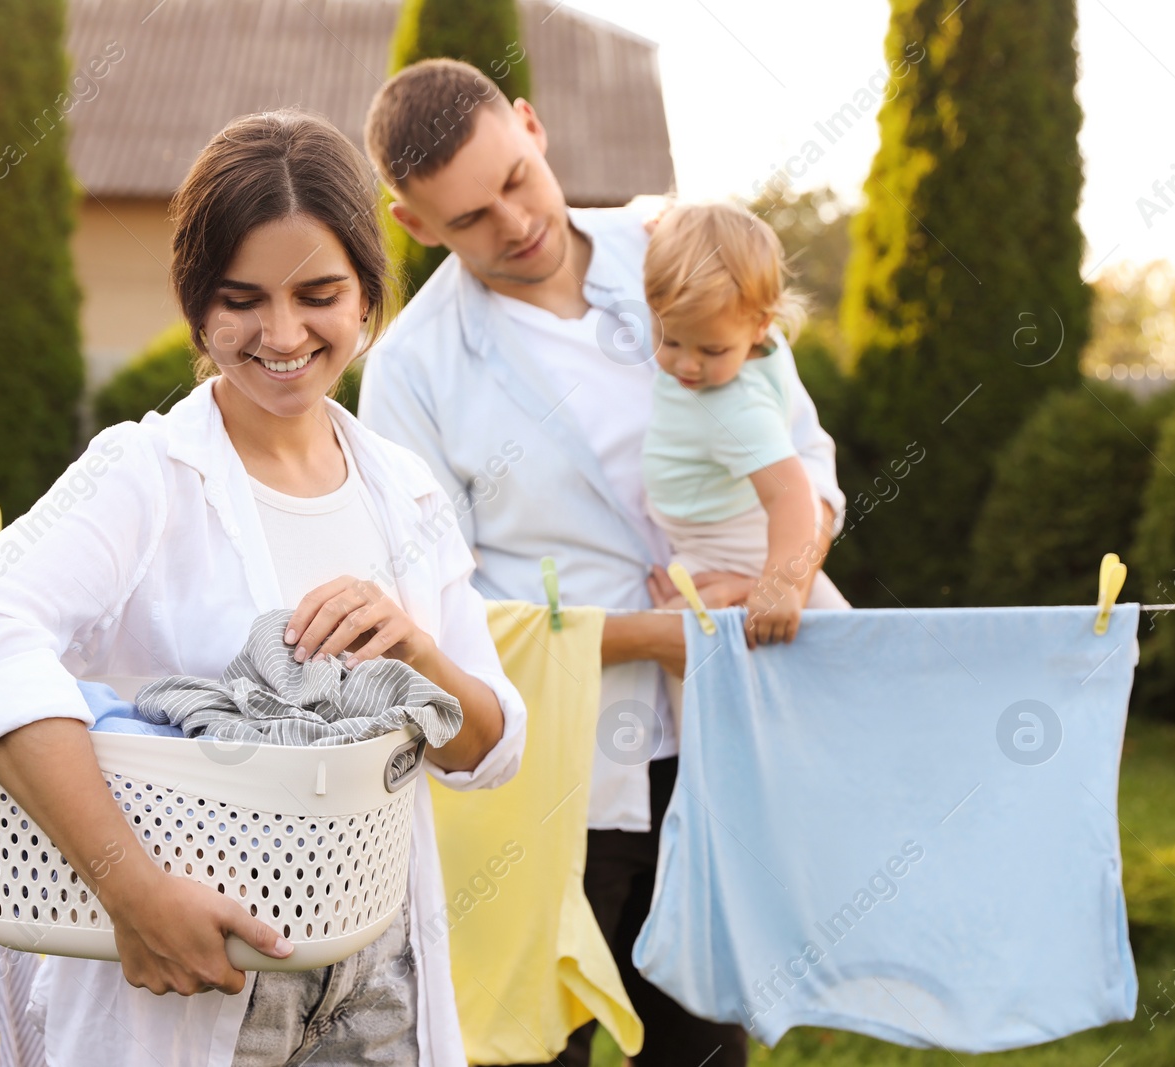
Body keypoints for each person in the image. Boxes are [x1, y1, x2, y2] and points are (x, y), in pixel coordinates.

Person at [0, 109, 526, 1067]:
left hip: (377, 983)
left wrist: (416, 651)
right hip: (194, 980)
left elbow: (488, 749)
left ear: (367, 293)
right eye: (242, 299)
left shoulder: (405, 491)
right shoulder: (144, 474)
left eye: (319, 292)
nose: (283, 334)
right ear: (198, 309)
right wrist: (131, 889)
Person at [357, 59, 846, 1067]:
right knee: (541, 1040)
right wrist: (652, 639)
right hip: (560, 770)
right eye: (469, 219)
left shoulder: (681, 251)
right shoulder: (411, 372)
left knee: (702, 1041)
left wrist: (777, 582)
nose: (514, 223)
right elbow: (438, 613)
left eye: (514, 181)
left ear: (532, 126)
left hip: (719, 745)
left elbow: (800, 457)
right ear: (413, 226)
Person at [641, 201, 851, 650]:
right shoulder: (749, 330)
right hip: (724, 534)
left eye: (712, 351)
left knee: (702, 676)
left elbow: (793, 492)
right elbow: (716, 280)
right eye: (669, 338)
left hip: (724, 552)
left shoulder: (735, 408)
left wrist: (781, 585)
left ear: (760, 325)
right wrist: (672, 240)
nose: (687, 364)